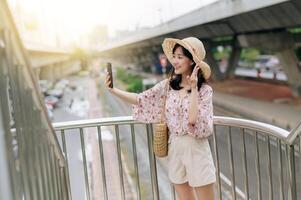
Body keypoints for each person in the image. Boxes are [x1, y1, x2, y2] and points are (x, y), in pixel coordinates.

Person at [104, 37, 216, 200]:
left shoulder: (205, 91)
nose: (175, 61)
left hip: (196, 149)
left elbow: (193, 120)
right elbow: (141, 99)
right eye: (174, 57)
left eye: (180, 57)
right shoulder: (167, 86)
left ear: (192, 62)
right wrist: (113, 90)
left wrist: (193, 88)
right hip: (175, 147)